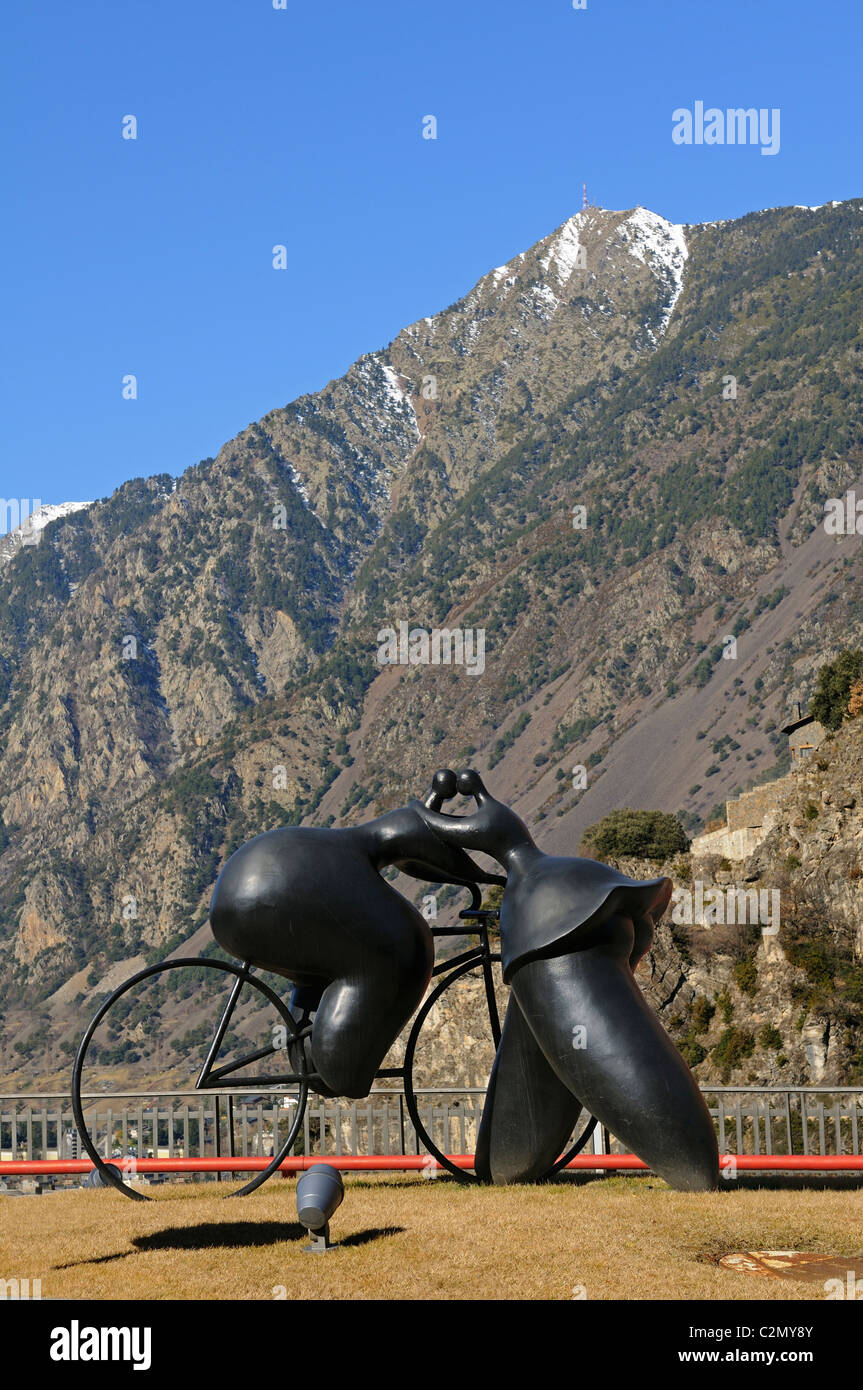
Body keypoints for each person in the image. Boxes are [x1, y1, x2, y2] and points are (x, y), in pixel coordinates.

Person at [420, 770, 719, 1192]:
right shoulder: (512, 830)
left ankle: (692, 1169)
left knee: (597, 1046)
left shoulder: (504, 841)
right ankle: (509, 1165)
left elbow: (439, 827)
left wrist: (426, 806)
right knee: (542, 1044)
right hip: (583, 903)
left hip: (552, 921)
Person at [209, 772, 503, 1099]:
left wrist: (476, 883)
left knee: (323, 967)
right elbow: (437, 857)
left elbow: (426, 859)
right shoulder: (406, 824)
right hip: (276, 891)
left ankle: (316, 1066)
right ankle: (341, 1071)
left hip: (236, 902)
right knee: (405, 944)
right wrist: (486, 880)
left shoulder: (376, 836)